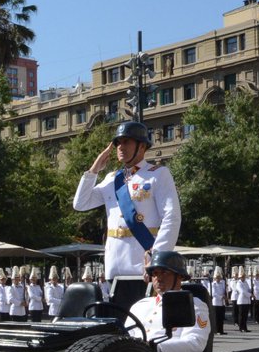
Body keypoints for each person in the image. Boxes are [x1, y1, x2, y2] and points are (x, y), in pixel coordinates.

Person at [73, 120, 181, 309]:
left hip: (142, 265)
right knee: (117, 320)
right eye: (118, 143)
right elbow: (80, 204)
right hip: (115, 266)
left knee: (143, 319)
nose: (120, 147)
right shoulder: (112, 179)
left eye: (126, 142)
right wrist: (94, 170)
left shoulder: (158, 174)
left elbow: (171, 217)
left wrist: (156, 258)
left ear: (142, 146)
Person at [125, 251, 210, 352]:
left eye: (164, 273)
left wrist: (156, 349)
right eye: (155, 273)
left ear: (179, 276)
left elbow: (195, 342)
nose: (158, 278)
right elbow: (125, 336)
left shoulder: (193, 305)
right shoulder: (140, 306)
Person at [209, 267, 228, 334]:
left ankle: (221, 330)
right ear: (215, 278)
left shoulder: (222, 284)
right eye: (217, 278)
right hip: (216, 302)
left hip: (221, 302)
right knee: (216, 318)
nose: (218, 279)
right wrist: (221, 297)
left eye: (219, 277)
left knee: (221, 317)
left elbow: (224, 291)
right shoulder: (213, 284)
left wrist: (225, 296)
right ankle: (216, 330)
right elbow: (214, 293)